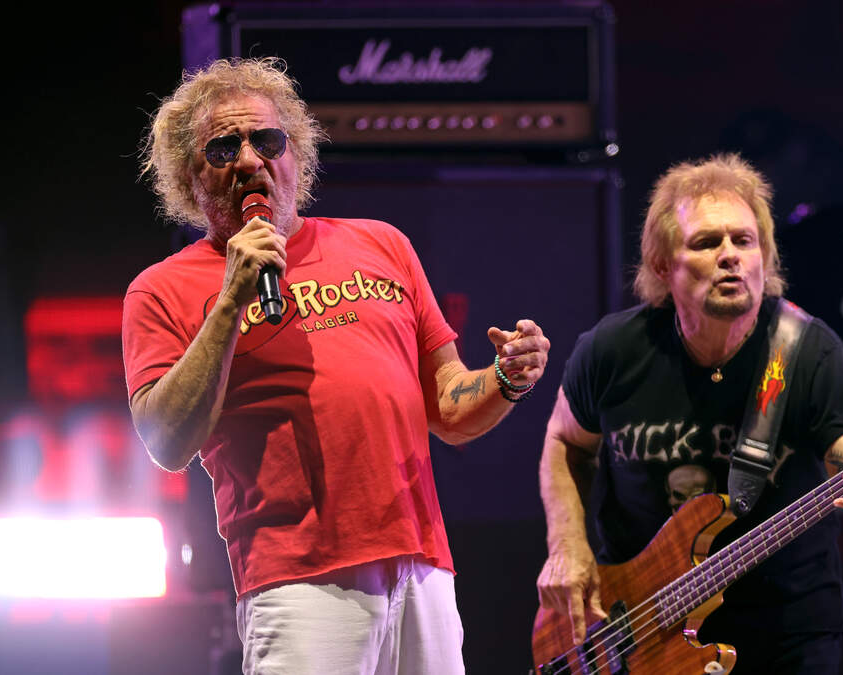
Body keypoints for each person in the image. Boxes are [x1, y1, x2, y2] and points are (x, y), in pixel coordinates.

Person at [122, 57, 550, 675]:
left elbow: (448, 404)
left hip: (422, 566)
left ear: (296, 155)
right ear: (191, 177)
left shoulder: (382, 244)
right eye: (223, 149)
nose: (249, 160)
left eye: (267, 141)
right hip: (298, 579)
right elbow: (166, 442)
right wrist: (231, 300)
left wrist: (506, 376)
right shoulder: (161, 290)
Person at [535, 154, 843, 674]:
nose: (730, 256)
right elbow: (564, 442)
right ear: (664, 266)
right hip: (634, 633)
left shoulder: (809, 352)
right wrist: (568, 546)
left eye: (744, 240)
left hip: (784, 640)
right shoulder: (612, 350)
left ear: (765, 258)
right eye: (706, 242)